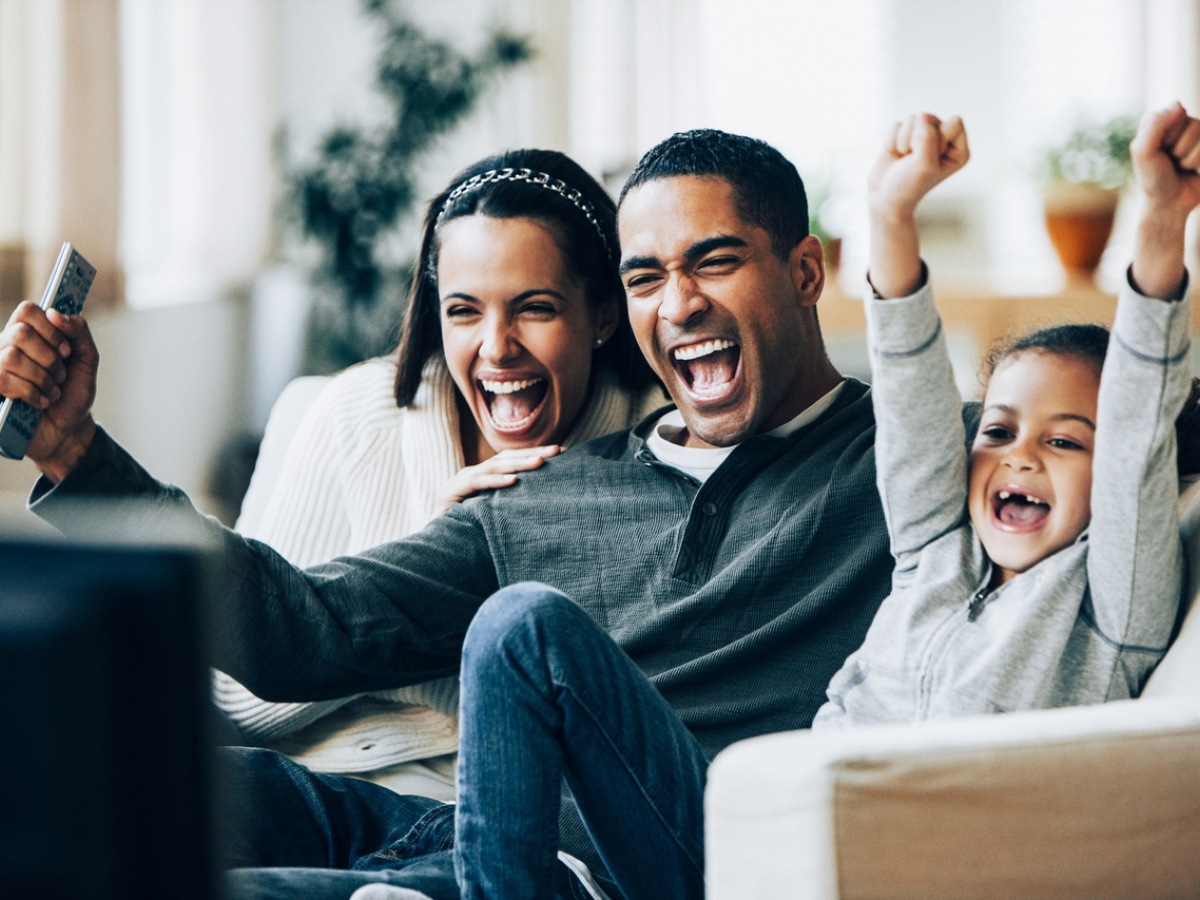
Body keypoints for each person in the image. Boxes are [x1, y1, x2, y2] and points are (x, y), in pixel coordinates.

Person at [4, 130, 896, 899]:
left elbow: (1023, 435)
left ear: (806, 270)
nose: (679, 304)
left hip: (587, 870)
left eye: (714, 260)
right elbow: (303, 627)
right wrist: (73, 452)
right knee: (100, 790)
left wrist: (902, 249)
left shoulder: (909, 470)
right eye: (646, 277)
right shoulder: (546, 487)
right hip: (444, 826)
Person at [213, 149, 666, 800]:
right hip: (309, 779)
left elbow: (636, 719)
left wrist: (480, 574)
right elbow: (241, 696)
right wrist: (419, 583)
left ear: (601, 315)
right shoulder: (358, 416)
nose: (496, 345)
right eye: (464, 311)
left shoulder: (654, 445)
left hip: (488, 809)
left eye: (534, 307)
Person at [814, 105, 1195, 727]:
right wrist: (889, 212)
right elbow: (912, 398)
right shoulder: (932, 550)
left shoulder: (1110, 607)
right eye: (998, 431)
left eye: (1066, 442)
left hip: (922, 820)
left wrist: (1163, 216)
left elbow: (1137, 433)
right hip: (806, 801)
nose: (1020, 455)